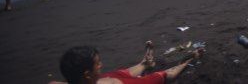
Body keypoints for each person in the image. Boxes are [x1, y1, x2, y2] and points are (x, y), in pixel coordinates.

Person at [58, 43, 203, 84]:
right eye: (97, 64)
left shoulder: (83, 78)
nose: (101, 65)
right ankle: (189, 59)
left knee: (123, 72)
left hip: (107, 79)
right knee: (163, 75)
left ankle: (146, 63)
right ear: (87, 74)